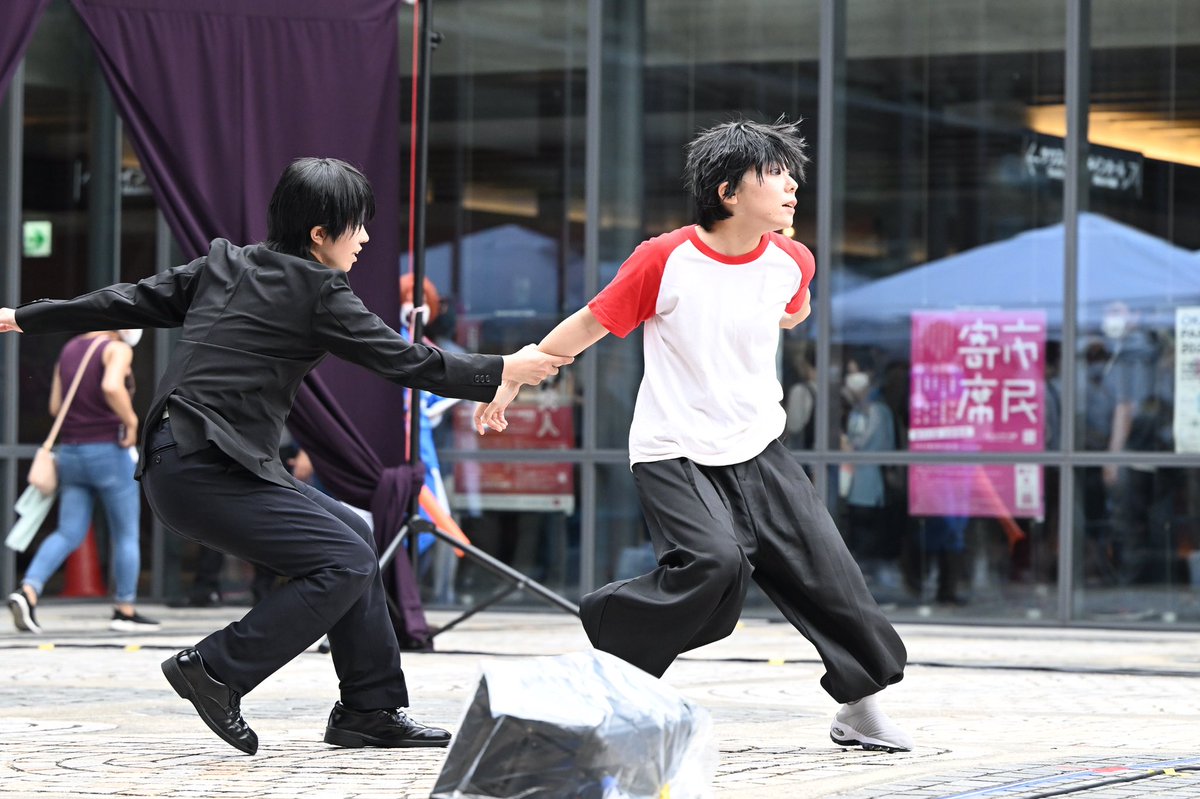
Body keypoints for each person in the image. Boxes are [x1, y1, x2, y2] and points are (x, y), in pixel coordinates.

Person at [0, 157, 571, 756]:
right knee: (345, 560)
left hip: (189, 461)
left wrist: (22, 317)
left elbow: (124, 301)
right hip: (207, 465)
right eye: (356, 227)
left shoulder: (225, 264)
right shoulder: (319, 290)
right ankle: (216, 669)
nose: (365, 239)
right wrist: (504, 367)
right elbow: (403, 359)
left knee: (356, 534)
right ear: (319, 234)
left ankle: (369, 709)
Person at [475, 118, 912, 753]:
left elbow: (794, 310)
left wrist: (787, 314)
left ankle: (861, 709)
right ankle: (612, 632)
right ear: (728, 192)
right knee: (714, 564)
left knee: (830, 574)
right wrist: (515, 374)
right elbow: (590, 324)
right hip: (673, 450)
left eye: (792, 174)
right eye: (775, 175)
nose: (793, 186)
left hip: (759, 446)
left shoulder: (793, 261)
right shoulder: (664, 259)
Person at [7, 329, 159, 634]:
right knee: (125, 534)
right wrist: (131, 422)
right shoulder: (116, 349)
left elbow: (56, 406)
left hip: (71, 452)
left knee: (68, 532)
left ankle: (29, 590)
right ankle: (124, 610)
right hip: (109, 452)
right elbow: (111, 385)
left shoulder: (70, 348)